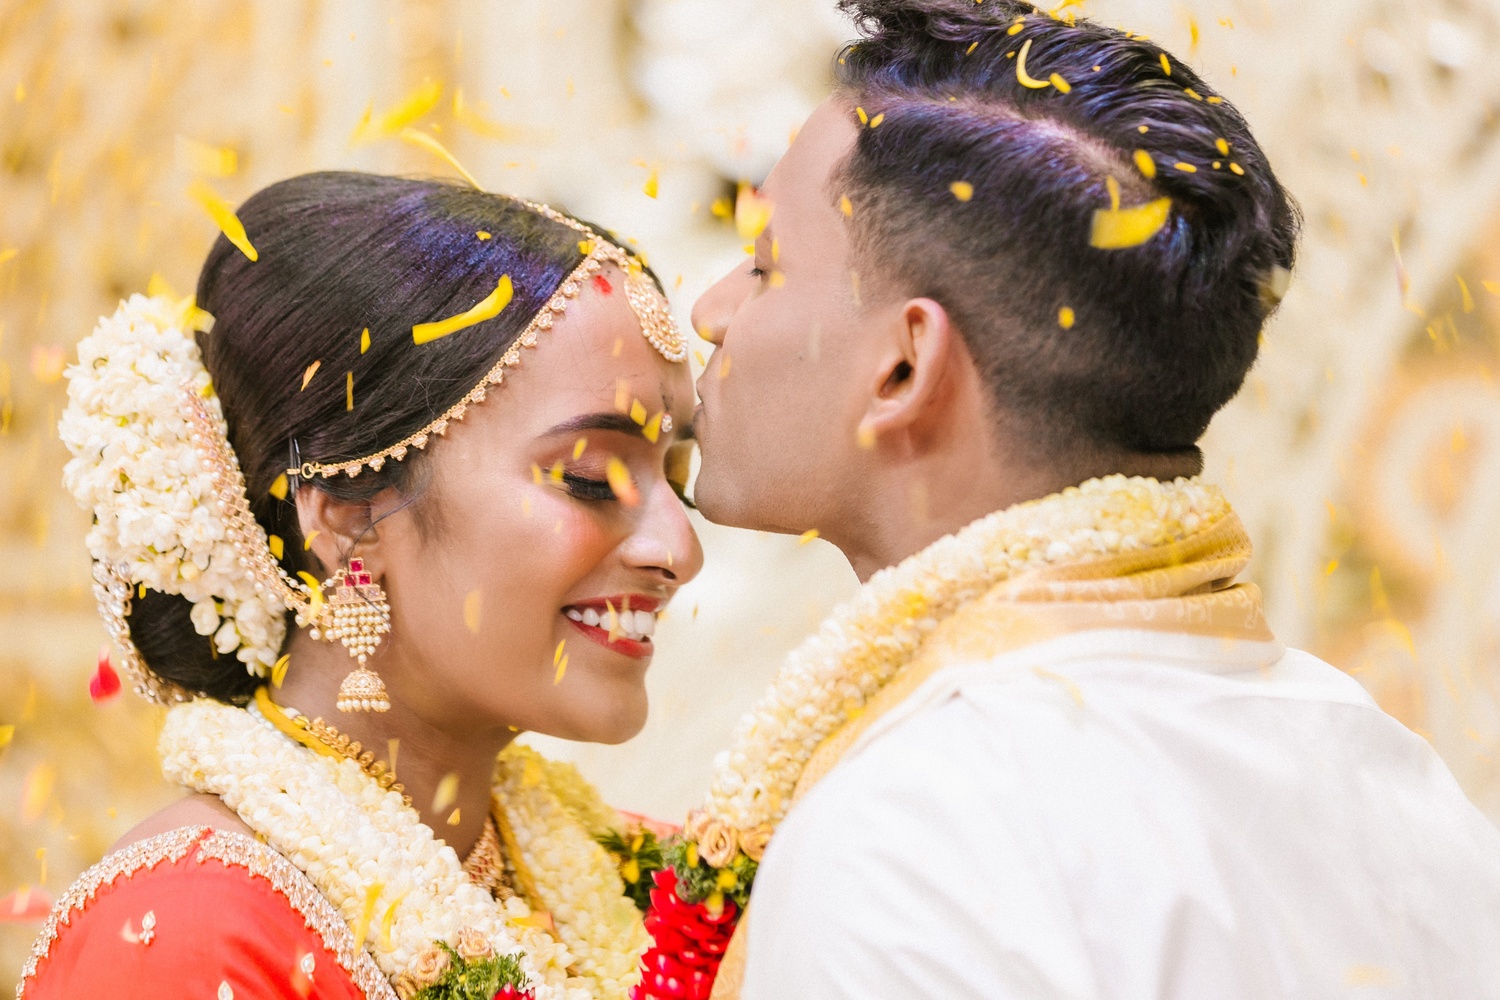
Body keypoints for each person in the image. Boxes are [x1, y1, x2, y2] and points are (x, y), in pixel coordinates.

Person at [631, 2, 1500, 999]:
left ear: (903, 365)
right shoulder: (1379, 770)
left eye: (765, 265)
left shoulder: (910, 842)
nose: (712, 310)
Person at [23, 172, 702, 1000]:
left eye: (679, 478)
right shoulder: (186, 940)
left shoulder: (660, 892)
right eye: (593, 477)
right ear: (349, 517)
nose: (680, 550)